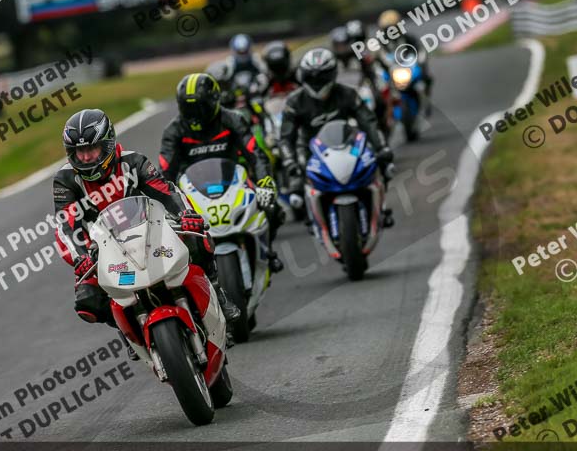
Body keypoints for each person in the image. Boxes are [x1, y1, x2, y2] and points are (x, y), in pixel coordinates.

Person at [53, 108, 241, 356]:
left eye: (92, 149)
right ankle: (127, 329)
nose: (86, 157)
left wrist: (186, 214)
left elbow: (165, 189)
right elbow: (65, 223)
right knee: (88, 300)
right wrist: (80, 257)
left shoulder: (133, 161)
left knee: (198, 239)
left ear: (108, 144)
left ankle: (217, 291)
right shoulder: (65, 180)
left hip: (149, 229)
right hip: (101, 247)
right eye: (79, 152)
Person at [159, 73, 284, 272]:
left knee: (273, 207)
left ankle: (267, 252)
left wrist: (264, 181)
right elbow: (165, 172)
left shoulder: (233, 119)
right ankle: (193, 265)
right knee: (173, 227)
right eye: (188, 108)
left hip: (234, 179)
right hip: (191, 188)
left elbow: (256, 154)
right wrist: (167, 204)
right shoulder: (173, 131)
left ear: (215, 100)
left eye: (200, 107)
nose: (195, 114)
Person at [278, 48, 395, 227]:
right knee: (296, 183)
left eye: (322, 77)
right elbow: (286, 137)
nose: (317, 82)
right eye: (311, 77)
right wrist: (289, 162)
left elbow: (369, 122)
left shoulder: (348, 94)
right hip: (309, 149)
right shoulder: (294, 102)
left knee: (380, 163)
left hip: (346, 144)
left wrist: (382, 147)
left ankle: (382, 207)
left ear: (332, 75)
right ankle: (311, 214)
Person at [377, 9, 433, 116]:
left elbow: (421, 51)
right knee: (378, 87)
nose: (390, 31)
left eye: (392, 28)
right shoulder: (379, 43)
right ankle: (383, 112)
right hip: (390, 70)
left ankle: (426, 101)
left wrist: (420, 61)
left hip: (407, 68)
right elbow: (375, 56)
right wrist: (379, 64)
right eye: (387, 29)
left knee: (425, 78)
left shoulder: (408, 39)